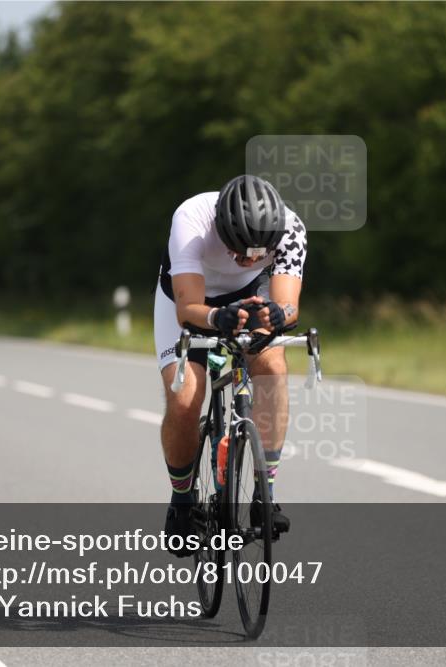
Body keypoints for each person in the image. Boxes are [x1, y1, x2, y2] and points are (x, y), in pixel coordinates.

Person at [154, 175, 307, 557]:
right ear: (221, 231)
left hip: (250, 292)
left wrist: (275, 314)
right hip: (192, 296)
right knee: (186, 397)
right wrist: (219, 317)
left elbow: (288, 307)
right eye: (241, 252)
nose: (252, 258)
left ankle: (265, 493)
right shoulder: (191, 220)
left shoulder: (291, 229)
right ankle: (182, 500)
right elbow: (187, 309)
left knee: (273, 369)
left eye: (261, 252)